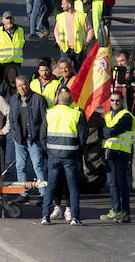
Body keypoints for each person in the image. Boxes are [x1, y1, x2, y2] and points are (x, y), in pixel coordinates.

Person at [40, 88, 85, 226]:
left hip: (53, 156)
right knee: (73, 186)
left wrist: (48, 151)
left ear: (57, 100)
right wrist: (78, 152)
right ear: (70, 101)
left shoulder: (49, 113)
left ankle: (45, 216)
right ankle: (74, 218)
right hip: (71, 156)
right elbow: (82, 137)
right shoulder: (76, 114)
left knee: (51, 186)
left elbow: (42, 135)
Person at [7, 75, 47, 191]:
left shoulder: (38, 98)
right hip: (19, 140)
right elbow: (11, 118)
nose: (22, 88)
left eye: (23, 85)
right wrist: (14, 135)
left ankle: (44, 195)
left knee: (38, 167)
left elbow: (45, 120)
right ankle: (22, 194)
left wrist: (41, 136)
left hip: (34, 140)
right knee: (20, 167)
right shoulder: (14, 99)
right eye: (19, 85)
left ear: (28, 84)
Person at [101, 90, 135, 223]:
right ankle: (115, 210)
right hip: (109, 154)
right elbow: (102, 132)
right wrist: (107, 131)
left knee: (121, 183)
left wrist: (107, 131)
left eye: (117, 100)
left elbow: (115, 130)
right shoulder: (108, 115)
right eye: (112, 100)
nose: (114, 103)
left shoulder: (126, 116)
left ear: (122, 101)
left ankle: (125, 212)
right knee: (112, 183)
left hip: (121, 153)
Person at [54, 0, 89, 67]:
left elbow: (90, 29)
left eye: (63, 4)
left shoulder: (81, 16)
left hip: (78, 48)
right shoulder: (60, 17)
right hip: (65, 48)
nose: (61, 6)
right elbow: (56, 31)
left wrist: (86, 41)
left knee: (79, 70)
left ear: (69, 5)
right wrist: (59, 42)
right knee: (65, 69)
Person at [0, 12, 25, 82]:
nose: (9, 21)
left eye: (11, 18)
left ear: (14, 19)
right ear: (3, 20)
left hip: (16, 63)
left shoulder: (20, 31)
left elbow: (22, 45)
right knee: (2, 82)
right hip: (2, 64)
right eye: (7, 18)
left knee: (15, 83)